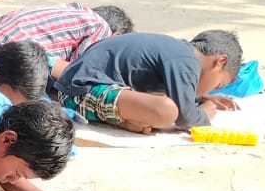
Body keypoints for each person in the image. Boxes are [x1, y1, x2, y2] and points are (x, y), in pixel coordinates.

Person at [54, 30, 242, 134]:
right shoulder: (187, 61)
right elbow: (186, 118)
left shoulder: (180, 52)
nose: (212, 89)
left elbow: (184, 93)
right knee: (167, 111)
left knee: (160, 105)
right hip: (79, 91)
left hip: (84, 85)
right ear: (220, 61)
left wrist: (203, 97)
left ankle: (126, 120)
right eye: (218, 84)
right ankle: (124, 120)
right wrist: (205, 113)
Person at [0, 3, 133, 81]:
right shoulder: (101, 28)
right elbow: (79, 70)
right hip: (18, 53)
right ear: (116, 36)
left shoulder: (72, 10)